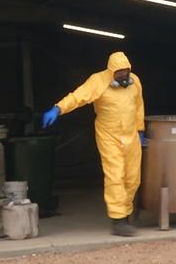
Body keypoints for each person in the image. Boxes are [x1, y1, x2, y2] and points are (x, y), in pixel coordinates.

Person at [42, 51, 145, 237]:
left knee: (133, 178)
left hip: (131, 136)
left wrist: (140, 129)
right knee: (115, 175)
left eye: (126, 72)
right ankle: (118, 220)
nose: (123, 76)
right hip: (109, 135)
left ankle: (127, 212)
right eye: (119, 73)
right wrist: (58, 109)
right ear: (111, 71)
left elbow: (138, 105)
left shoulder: (135, 81)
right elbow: (78, 97)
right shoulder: (98, 81)